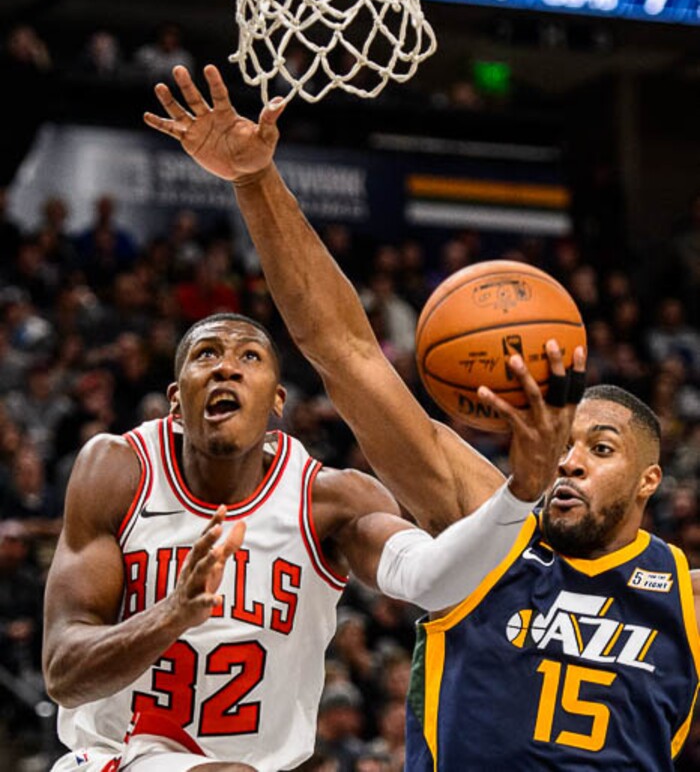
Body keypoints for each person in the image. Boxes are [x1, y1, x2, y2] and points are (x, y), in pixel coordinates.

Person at [143, 65, 700, 769]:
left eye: (601, 447)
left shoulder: (686, 598)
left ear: (650, 479)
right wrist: (256, 182)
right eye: (567, 438)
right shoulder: (488, 527)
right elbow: (346, 353)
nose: (570, 458)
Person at [43, 304, 574, 772]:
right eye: (206, 354)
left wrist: (520, 493)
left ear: (277, 402)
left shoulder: (330, 501)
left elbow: (429, 580)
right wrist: (172, 614)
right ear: (176, 402)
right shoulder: (118, 471)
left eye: (249, 357)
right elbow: (64, 673)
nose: (227, 366)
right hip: (112, 756)